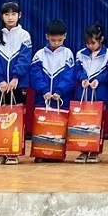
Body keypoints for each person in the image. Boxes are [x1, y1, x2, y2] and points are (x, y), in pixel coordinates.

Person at [0, 1, 32, 165]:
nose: (10, 17)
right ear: (2, 17)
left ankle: (14, 152)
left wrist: (15, 77)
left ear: (19, 15)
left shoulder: (25, 35)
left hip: (17, 84)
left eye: (13, 14)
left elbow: (25, 58)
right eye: (7, 14)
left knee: (16, 118)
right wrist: (0, 79)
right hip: (1, 85)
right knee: (0, 117)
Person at [30, 19, 76, 162]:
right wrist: (44, 90)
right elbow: (35, 75)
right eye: (53, 40)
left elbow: (70, 76)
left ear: (65, 37)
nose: (56, 43)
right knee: (42, 124)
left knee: (58, 126)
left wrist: (59, 91)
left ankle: (57, 152)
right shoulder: (39, 55)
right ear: (46, 37)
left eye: (59, 40)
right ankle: (41, 152)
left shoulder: (68, 54)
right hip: (42, 97)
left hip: (60, 98)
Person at [75, 23, 108, 164]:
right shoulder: (80, 54)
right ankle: (83, 151)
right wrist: (82, 78)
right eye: (87, 43)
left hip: (100, 94)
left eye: (93, 42)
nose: (90, 46)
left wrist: (99, 79)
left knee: (98, 125)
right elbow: (77, 70)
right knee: (83, 123)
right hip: (83, 94)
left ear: (101, 39)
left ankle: (95, 152)